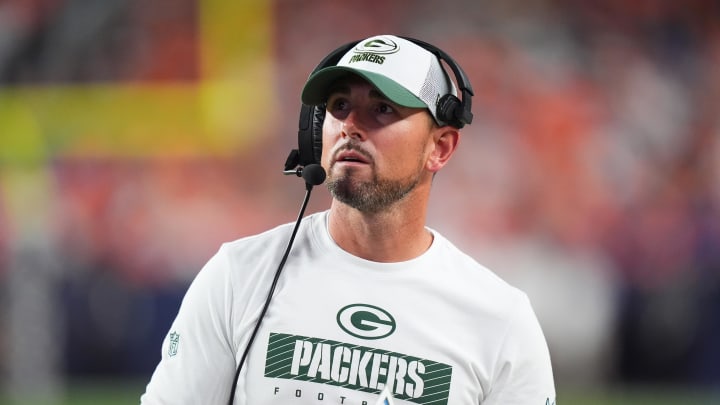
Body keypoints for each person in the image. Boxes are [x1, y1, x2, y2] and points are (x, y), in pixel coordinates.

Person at [141, 34, 556, 405]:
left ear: (441, 148)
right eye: (340, 106)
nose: (351, 126)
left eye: (382, 109)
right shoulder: (239, 276)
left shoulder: (500, 320)